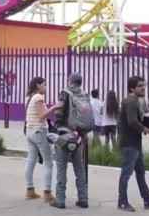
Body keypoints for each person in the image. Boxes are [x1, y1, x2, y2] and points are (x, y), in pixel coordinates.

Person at [117, 75, 149, 211]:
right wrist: (147, 130)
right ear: (132, 88)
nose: (143, 88)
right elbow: (132, 121)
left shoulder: (136, 101)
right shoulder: (131, 102)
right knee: (126, 173)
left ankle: (147, 199)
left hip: (135, 142)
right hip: (129, 143)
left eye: (144, 85)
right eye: (140, 86)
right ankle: (122, 201)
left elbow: (136, 120)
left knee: (140, 171)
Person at [50, 72, 88, 209]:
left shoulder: (64, 93)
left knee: (61, 167)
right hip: (78, 136)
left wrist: (55, 129)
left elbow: (58, 111)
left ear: (70, 81)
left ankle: (60, 200)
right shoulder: (84, 95)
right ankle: (83, 199)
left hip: (63, 134)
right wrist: (82, 134)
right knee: (79, 167)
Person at [24, 76, 60, 202]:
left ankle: (29, 190)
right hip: (39, 131)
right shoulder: (38, 97)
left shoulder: (28, 98)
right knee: (48, 162)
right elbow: (41, 115)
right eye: (44, 84)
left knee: (31, 160)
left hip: (30, 132)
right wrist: (55, 107)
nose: (46, 87)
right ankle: (47, 193)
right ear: (38, 85)